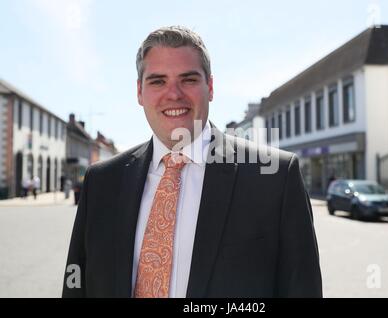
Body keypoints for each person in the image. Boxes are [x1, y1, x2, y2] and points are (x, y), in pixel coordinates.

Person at [62, 26, 322, 298]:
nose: (173, 94)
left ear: (210, 87)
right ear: (139, 92)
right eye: (158, 81)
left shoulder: (275, 178)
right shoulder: (102, 182)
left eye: (188, 80)